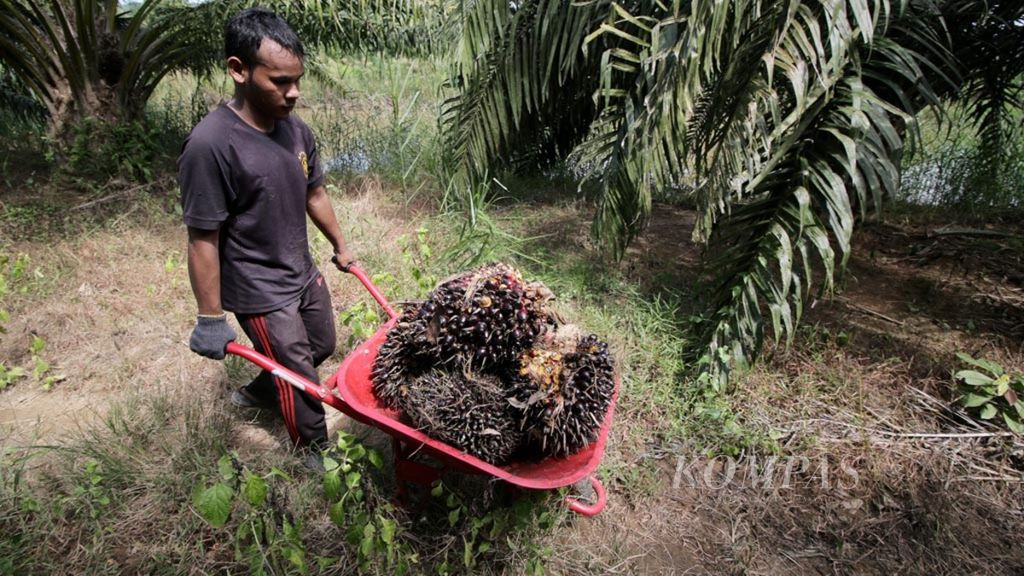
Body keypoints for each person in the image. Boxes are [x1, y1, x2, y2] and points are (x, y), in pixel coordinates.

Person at [178, 7, 355, 461]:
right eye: (279, 82)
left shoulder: (294, 129)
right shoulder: (211, 145)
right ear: (238, 70)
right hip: (258, 286)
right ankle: (313, 452)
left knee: (322, 344)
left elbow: (314, 192)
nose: (293, 93)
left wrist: (341, 245)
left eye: (297, 80)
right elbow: (202, 238)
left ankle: (260, 390)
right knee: (299, 372)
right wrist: (210, 318)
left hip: (300, 269)